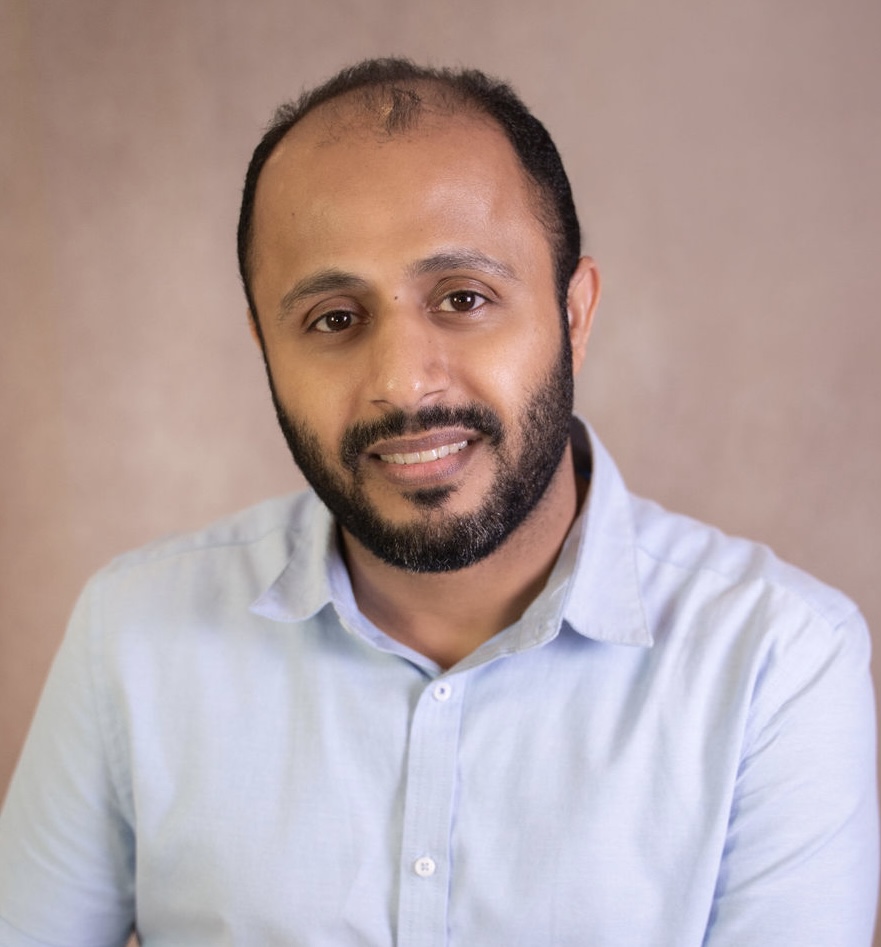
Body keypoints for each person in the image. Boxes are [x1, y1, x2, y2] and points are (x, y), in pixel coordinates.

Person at [0, 57, 876, 946]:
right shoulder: (130, 632)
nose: (402, 383)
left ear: (574, 313)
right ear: (264, 343)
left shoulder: (779, 658)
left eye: (463, 298)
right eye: (333, 318)